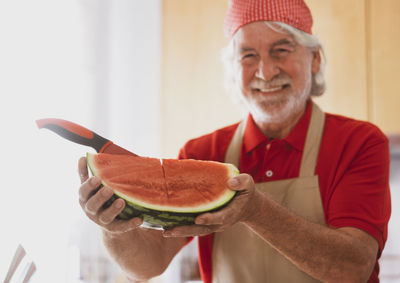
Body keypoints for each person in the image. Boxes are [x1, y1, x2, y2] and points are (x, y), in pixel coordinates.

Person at [77, 0, 391, 282]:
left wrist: (255, 211)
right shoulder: (202, 153)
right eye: (248, 56)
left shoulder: (359, 143)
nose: (265, 72)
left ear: (315, 59)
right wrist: (112, 223)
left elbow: (353, 268)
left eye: (281, 50)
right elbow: (148, 264)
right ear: (233, 69)